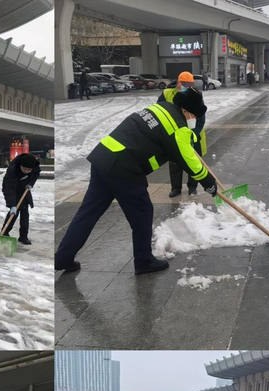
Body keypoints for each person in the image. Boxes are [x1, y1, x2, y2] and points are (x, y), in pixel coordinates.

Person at [55, 89, 217, 274]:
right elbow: (188, 159)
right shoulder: (178, 127)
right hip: (124, 168)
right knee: (142, 212)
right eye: (194, 115)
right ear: (187, 111)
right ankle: (144, 261)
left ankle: (63, 257)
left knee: (88, 213)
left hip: (104, 157)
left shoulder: (161, 108)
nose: (193, 119)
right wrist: (208, 181)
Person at [159, 72, 208, 198]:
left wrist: (193, 134)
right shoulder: (167, 94)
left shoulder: (196, 94)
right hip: (175, 134)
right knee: (175, 162)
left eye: (189, 84)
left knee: (194, 162)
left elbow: (201, 117)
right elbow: (159, 111)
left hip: (193, 133)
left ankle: (192, 187)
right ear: (178, 82)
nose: (187, 86)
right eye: (184, 84)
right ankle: (176, 188)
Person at [1, 152, 40, 245]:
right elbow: (9, 189)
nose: (26, 171)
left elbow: (36, 173)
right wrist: (12, 205)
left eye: (28, 170)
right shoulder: (12, 170)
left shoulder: (34, 166)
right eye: (24, 168)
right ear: (20, 165)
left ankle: (23, 236)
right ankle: (4, 233)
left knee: (25, 214)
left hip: (24, 190)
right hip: (12, 189)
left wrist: (31, 184)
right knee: (13, 213)